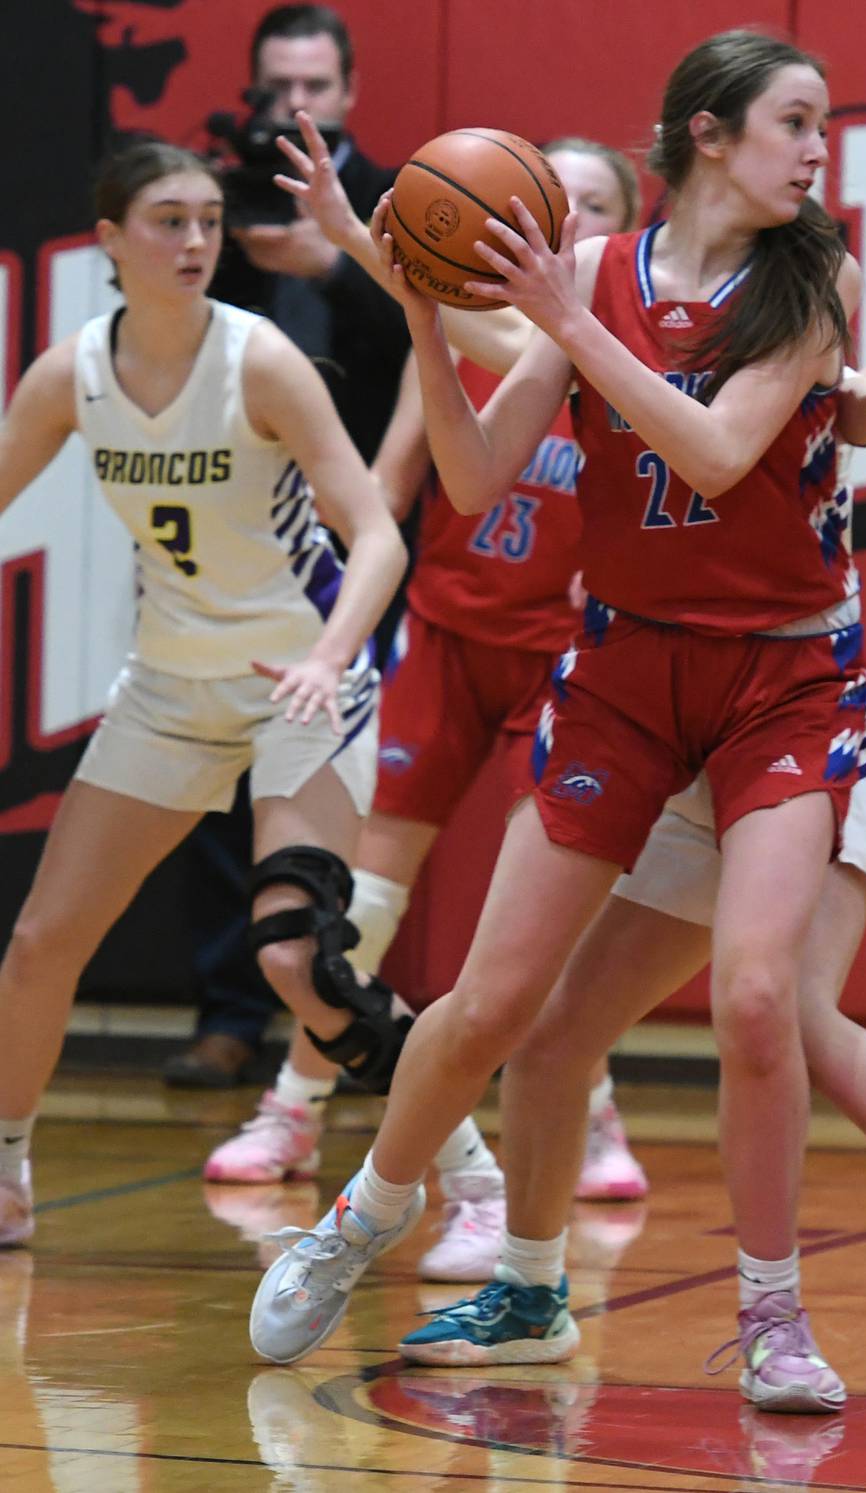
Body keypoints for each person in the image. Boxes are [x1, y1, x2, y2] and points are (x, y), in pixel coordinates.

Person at [248, 29, 866, 1407]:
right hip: (629, 681)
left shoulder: (808, 279)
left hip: (782, 685)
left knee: (761, 998)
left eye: (820, 123)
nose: (819, 148)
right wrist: (416, 303)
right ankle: (365, 1226)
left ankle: (779, 1316)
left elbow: (711, 458)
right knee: (498, 1006)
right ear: (708, 133)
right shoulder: (591, 276)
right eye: (796, 122)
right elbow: (470, 486)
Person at [204, 139, 651, 1281]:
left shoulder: (616, 351)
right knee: (364, 895)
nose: (565, 220)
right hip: (447, 642)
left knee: (539, 920)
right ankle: (295, 1103)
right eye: (554, 197)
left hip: (561, 661)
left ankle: (590, 1117)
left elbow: (523, 338)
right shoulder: (453, 341)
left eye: (592, 205)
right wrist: (333, 637)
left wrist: (363, 242)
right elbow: (387, 495)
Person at [0, 140, 408, 1248]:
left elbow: (376, 533)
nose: (193, 243)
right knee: (41, 943)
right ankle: (6, 1172)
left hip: (299, 681)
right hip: (171, 685)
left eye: (207, 223)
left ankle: (457, 1167)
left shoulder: (259, 358)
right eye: (167, 221)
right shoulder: (72, 372)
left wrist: (330, 655)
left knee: (297, 955)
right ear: (110, 243)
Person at [165, 2, 411, 1088]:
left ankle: (345, 1024)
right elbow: (170, 349)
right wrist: (235, 259)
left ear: (348, 92)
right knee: (224, 780)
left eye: (314, 85)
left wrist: (335, 260)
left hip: (360, 523)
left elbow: (435, 340)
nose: (295, 104)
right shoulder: (206, 204)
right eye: (278, 86)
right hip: (232, 524)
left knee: (351, 781)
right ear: (254, 88)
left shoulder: (401, 198)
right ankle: (233, 1010)